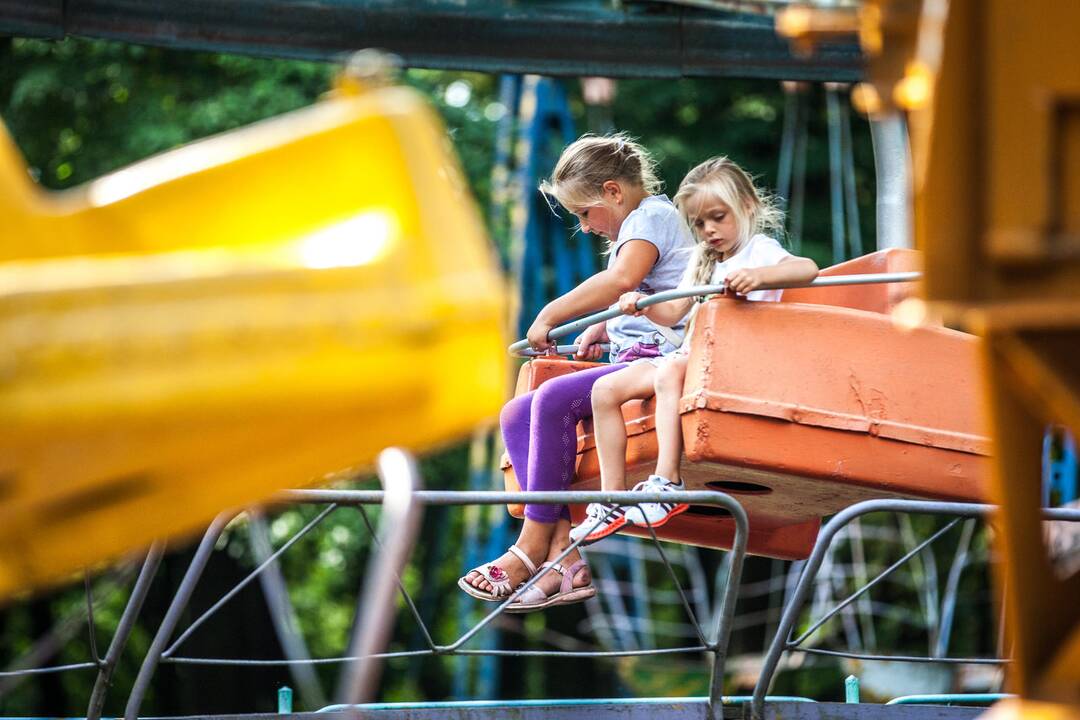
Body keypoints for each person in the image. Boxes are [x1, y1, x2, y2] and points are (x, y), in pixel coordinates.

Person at [458, 133, 693, 611]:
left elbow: (623, 281)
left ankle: (530, 547)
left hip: (660, 360)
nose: (584, 228)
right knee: (516, 414)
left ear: (612, 191)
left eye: (584, 213)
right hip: (636, 354)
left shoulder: (650, 217)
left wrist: (551, 314)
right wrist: (607, 327)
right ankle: (565, 555)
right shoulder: (642, 224)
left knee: (550, 402)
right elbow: (646, 291)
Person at [570, 156, 820, 545]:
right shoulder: (705, 260)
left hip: (734, 363)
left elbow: (806, 269)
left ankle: (668, 482)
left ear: (748, 206)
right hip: (691, 358)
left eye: (718, 217)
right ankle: (612, 498)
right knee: (604, 392)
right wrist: (643, 304)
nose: (709, 230)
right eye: (699, 223)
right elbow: (672, 314)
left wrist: (759, 276)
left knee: (670, 372)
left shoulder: (758, 251)